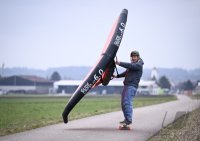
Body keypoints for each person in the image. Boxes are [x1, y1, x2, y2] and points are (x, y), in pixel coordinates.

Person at [114, 50, 144, 125]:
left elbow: (130, 66)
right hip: (126, 85)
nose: (133, 58)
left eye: (135, 57)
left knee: (127, 102)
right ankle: (126, 119)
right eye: (132, 57)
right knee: (123, 103)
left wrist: (119, 63)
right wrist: (117, 76)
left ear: (138, 57)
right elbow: (126, 73)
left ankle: (129, 119)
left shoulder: (138, 65)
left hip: (131, 86)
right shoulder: (133, 64)